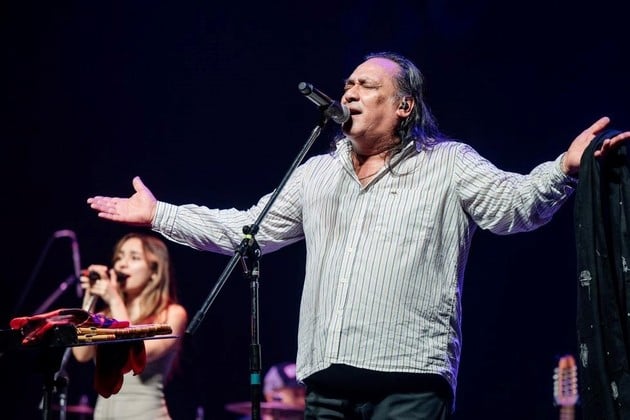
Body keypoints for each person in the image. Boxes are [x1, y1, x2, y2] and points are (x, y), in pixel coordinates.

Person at [85, 51, 630, 419]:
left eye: (368, 85)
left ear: (403, 106)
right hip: (326, 382)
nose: (350, 92)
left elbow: (513, 207)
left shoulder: (449, 163)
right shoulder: (317, 173)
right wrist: (160, 214)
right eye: (348, 84)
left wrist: (565, 167)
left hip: (409, 380)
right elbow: (246, 230)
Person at [71, 232, 188, 420]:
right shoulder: (105, 316)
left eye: (134, 258)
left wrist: (114, 299)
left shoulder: (172, 314)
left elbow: (139, 353)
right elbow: (81, 354)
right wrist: (90, 298)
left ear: (154, 272)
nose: (121, 264)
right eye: (119, 257)